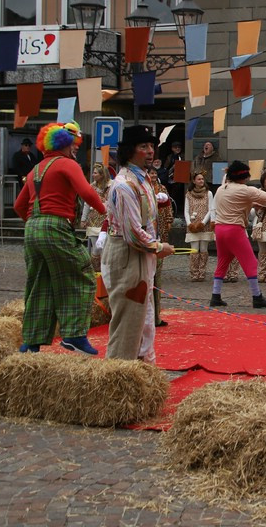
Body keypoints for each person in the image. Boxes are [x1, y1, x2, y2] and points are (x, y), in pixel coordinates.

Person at [13, 122, 106, 355]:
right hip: (56, 225)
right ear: (64, 144)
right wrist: (107, 212)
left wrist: (35, 222)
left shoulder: (35, 169)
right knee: (83, 275)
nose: (75, 148)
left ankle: (30, 342)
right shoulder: (67, 164)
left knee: (39, 284)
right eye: (73, 145)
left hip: (33, 228)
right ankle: (74, 335)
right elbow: (87, 192)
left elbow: (18, 205)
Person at [102, 125, 174, 363]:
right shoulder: (123, 185)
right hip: (128, 255)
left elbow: (146, 220)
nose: (150, 151)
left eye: (152, 146)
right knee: (128, 322)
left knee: (144, 318)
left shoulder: (142, 180)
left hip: (142, 256)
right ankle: (119, 376)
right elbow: (133, 233)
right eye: (144, 146)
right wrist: (157, 247)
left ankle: (143, 370)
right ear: (130, 151)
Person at [210, 160, 266, 308]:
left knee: (223, 262)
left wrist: (250, 204)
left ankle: (215, 295)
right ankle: (257, 296)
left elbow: (235, 203)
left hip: (220, 229)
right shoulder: (246, 190)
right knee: (250, 262)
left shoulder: (221, 189)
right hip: (234, 230)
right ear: (243, 177)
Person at [146, 163, 174, 327]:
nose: (154, 176)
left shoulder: (162, 188)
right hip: (147, 237)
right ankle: (148, 317)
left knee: (157, 278)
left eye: (155, 173)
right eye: (151, 173)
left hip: (159, 231)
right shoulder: (143, 188)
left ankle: (156, 316)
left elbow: (168, 205)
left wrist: (169, 220)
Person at [184, 171, 215, 282]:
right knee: (194, 249)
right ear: (194, 181)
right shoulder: (188, 194)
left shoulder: (209, 193)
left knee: (203, 249)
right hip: (193, 225)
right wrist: (189, 224)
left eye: (202, 179)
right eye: (199, 179)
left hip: (204, 225)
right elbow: (186, 211)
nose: (201, 181)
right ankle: (194, 272)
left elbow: (211, 209)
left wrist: (203, 222)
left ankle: (202, 272)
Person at [80, 162, 111, 273]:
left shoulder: (111, 186)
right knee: (96, 249)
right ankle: (96, 273)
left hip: (107, 220)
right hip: (93, 220)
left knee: (106, 249)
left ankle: (106, 273)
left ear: (102, 175)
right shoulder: (91, 187)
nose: (93, 175)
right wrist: (83, 219)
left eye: (95, 173)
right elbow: (87, 204)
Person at [162, 141, 185, 214]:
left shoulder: (183, 155)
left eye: (179, 147)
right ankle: (171, 210)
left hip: (180, 177)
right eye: (175, 147)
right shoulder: (169, 156)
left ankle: (178, 211)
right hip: (170, 178)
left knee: (178, 194)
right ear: (172, 148)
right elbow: (165, 167)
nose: (177, 149)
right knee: (171, 194)